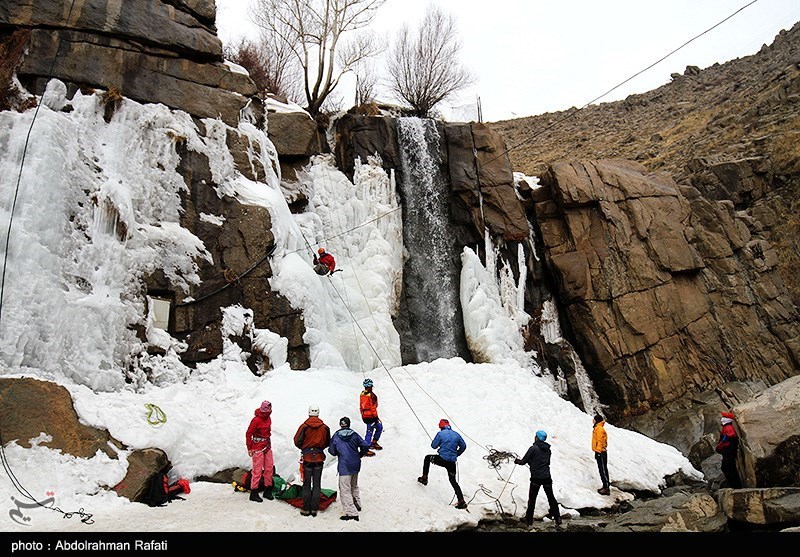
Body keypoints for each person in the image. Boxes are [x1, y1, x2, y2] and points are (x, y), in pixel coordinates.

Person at [417, 419, 468, 510]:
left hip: (442, 459)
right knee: (453, 481)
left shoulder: (440, 434)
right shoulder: (456, 434)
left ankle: (424, 478)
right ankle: (461, 501)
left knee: (427, 458)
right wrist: (456, 453)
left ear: (441, 427)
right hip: (452, 463)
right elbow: (463, 446)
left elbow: (433, 446)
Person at [514, 429, 562, 526]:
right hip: (547, 477)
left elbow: (523, 461)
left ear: (537, 437)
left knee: (532, 499)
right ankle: (558, 518)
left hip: (536, 478)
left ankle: (529, 520)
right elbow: (545, 462)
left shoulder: (533, 448)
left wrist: (517, 461)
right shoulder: (548, 449)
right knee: (551, 497)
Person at [328, 416, 371, 521]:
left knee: (344, 488)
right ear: (349, 424)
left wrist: (339, 451)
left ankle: (351, 512)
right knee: (354, 485)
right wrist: (360, 454)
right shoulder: (354, 435)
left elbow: (331, 451)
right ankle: (357, 504)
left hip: (344, 465)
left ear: (340, 424)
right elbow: (365, 445)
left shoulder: (336, 436)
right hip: (355, 464)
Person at [293, 404, 331, 516]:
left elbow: (297, 441)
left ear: (309, 413)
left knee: (306, 483)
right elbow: (327, 442)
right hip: (319, 457)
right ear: (318, 413)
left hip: (307, 458)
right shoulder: (324, 427)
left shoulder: (304, 426)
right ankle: (314, 508)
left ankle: (306, 508)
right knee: (317, 483)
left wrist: (305, 448)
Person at [245, 400, 275, 502]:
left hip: (266, 446)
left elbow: (268, 432)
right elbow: (249, 433)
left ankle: (267, 489)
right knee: (257, 471)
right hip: (257, 447)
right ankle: (254, 492)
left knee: (269, 468)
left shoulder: (268, 418)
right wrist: (249, 448)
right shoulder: (256, 420)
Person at [715, 410, 743, 489]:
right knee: (729, 468)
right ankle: (735, 485)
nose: (722, 419)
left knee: (728, 468)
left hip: (729, 451)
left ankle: (736, 486)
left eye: (724, 417)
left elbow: (725, 440)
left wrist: (719, 447)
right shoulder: (727, 428)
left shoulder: (728, 428)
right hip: (729, 451)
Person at [359, 378, 383, 455]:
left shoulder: (362, 394)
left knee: (378, 427)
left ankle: (373, 442)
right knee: (370, 430)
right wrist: (376, 417)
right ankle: (366, 449)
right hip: (371, 416)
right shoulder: (372, 396)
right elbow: (373, 407)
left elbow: (361, 406)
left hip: (365, 416)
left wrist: (362, 415)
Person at [592, 414, 610, 495]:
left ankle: (606, 487)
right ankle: (605, 486)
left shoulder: (599, 429)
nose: (592, 420)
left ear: (597, 420)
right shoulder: (597, 428)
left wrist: (598, 451)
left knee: (603, 469)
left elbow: (600, 441)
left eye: (594, 419)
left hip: (601, 452)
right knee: (601, 469)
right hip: (599, 451)